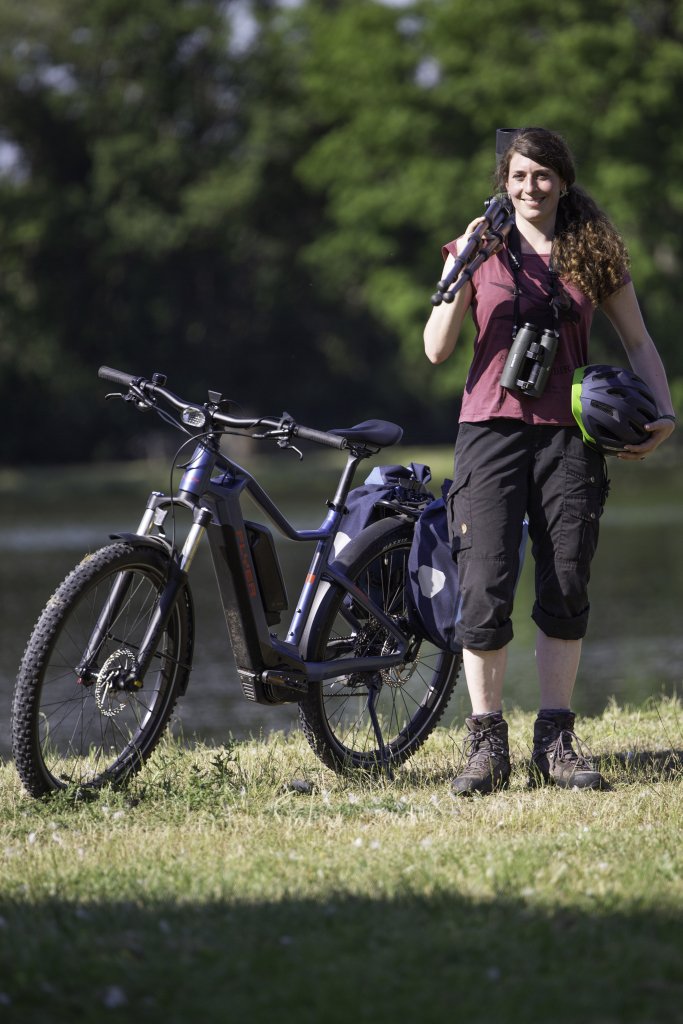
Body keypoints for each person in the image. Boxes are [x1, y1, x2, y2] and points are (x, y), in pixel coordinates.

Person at [423, 126, 676, 795]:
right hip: (488, 432)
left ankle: (555, 739)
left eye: (541, 175)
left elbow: (638, 341)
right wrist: (466, 263)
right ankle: (485, 745)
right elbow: (435, 348)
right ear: (502, 182)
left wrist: (664, 412)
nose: (529, 187)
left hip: (569, 438)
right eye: (517, 176)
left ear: (562, 180)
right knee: (484, 586)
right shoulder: (476, 245)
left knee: (564, 582)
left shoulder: (592, 248)